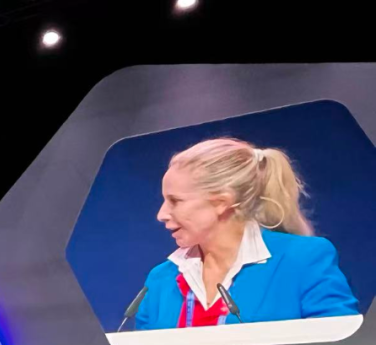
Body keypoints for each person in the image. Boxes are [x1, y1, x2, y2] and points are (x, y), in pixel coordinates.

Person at [136, 138, 359, 330]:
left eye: (175, 201)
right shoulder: (160, 278)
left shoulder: (303, 258)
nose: (161, 215)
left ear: (221, 203)